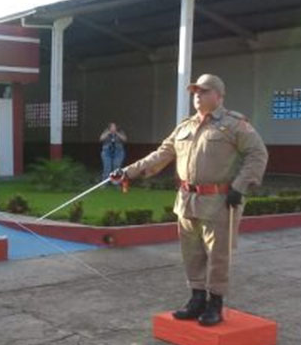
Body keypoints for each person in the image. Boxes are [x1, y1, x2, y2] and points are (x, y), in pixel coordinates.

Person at [112, 74, 268, 326]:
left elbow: (258, 154)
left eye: (204, 91)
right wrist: (127, 171)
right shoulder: (184, 126)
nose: (197, 95)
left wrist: (240, 186)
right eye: (195, 91)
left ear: (219, 96)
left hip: (219, 200)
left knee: (218, 255)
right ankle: (196, 299)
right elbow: (161, 154)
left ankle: (215, 302)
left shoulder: (234, 124)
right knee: (191, 253)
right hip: (187, 200)